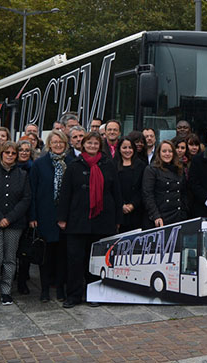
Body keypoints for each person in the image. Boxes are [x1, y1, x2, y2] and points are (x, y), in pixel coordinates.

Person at [57, 132, 123, 308]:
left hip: (102, 220)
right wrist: (62, 218)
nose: (92, 146)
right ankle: (74, 296)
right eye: (89, 143)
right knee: (75, 260)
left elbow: (116, 193)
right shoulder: (73, 166)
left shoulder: (108, 165)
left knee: (96, 260)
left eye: (95, 143)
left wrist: (117, 218)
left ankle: (94, 294)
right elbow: (65, 194)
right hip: (77, 220)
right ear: (83, 145)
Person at [0, 142, 32, 308]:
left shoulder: (22, 175)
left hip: (14, 223)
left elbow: (26, 199)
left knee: (10, 258)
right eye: (7, 152)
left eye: (13, 153)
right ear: (1, 154)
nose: (10, 155)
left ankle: (6, 291)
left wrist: (9, 218)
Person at [30, 130, 71, 302]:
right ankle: (45, 289)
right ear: (49, 144)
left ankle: (60, 288)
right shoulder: (40, 164)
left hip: (66, 216)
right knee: (45, 255)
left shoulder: (72, 162)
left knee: (62, 255)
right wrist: (32, 216)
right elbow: (32, 192)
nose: (58, 145)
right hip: (45, 214)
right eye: (55, 142)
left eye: (61, 142)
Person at [142, 140, 188, 228]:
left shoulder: (179, 169)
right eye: (164, 151)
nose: (167, 154)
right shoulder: (151, 169)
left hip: (178, 216)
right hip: (160, 217)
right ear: (158, 153)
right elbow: (148, 195)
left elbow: (184, 193)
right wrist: (156, 216)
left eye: (170, 151)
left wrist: (184, 212)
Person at [15, 140, 37, 294]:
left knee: (25, 250)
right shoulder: (10, 167)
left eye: (26, 150)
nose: (23, 152)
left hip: (28, 213)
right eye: (20, 150)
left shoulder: (34, 168)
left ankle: (23, 280)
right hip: (12, 213)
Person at [116, 137, 146, 233]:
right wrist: (121, 205)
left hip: (136, 211)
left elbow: (143, 188)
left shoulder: (141, 165)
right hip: (118, 212)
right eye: (124, 148)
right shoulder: (112, 165)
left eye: (130, 147)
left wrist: (133, 205)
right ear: (119, 149)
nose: (127, 150)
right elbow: (111, 189)